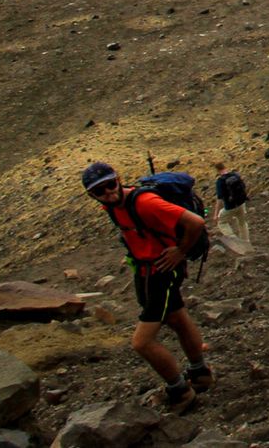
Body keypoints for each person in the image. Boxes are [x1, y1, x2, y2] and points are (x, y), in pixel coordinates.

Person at [82, 162, 213, 412]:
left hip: (162, 272)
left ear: (118, 179)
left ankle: (180, 391)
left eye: (111, 184)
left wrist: (181, 251)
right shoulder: (114, 206)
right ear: (92, 195)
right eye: (100, 190)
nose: (109, 192)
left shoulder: (144, 202)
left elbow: (196, 222)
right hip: (147, 270)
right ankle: (200, 373)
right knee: (177, 318)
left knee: (141, 342)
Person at [212, 161, 251, 246]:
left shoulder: (220, 181)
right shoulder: (235, 175)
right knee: (242, 223)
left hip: (230, 207)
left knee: (222, 222)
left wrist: (215, 214)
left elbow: (219, 199)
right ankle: (246, 242)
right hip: (241, 203)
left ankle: (234, 240)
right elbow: (244, 187)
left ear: (217, 170)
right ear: (225, 167)